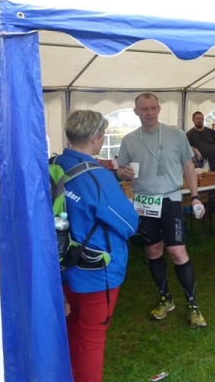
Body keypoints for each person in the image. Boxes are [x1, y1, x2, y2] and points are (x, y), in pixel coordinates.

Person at [58, 110, 139, 382]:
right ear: (94, 137)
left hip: (64, 262)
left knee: (74, 321)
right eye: (103, 135)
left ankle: (68, 374)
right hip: (95, 269)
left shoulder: (53, 164)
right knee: (93, 333)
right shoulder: (97, 176)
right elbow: (128, 223)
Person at [117, 93, 207, 328]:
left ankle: (193, 304)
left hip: (170, 199)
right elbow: (120, 169)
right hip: (144, 201)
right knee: (153, 250)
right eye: (144, 109)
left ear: (159, 109)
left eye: (153, 108)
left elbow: (189, 166)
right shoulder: (129, 140)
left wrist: (195, 196)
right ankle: (165, 297)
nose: (149, 112)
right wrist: (123, 172)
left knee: (177, 251)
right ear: (136, 112)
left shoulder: (176, 135)